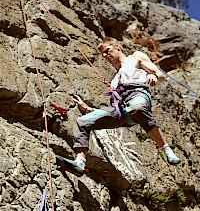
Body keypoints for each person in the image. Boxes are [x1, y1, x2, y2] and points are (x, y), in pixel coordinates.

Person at [57, 38, 180, 174]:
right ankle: (80, 162)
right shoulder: (115, 79)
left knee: (137, 109)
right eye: (103, 55)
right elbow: (115, 108)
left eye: (107, 51)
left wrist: (154, 76)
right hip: (122, 109)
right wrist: (87, 109)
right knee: (83, 121)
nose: (105, 56)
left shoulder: (135, 58)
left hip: (137, 95)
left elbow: (159, 74)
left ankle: (165, 148)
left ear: (118, 47)